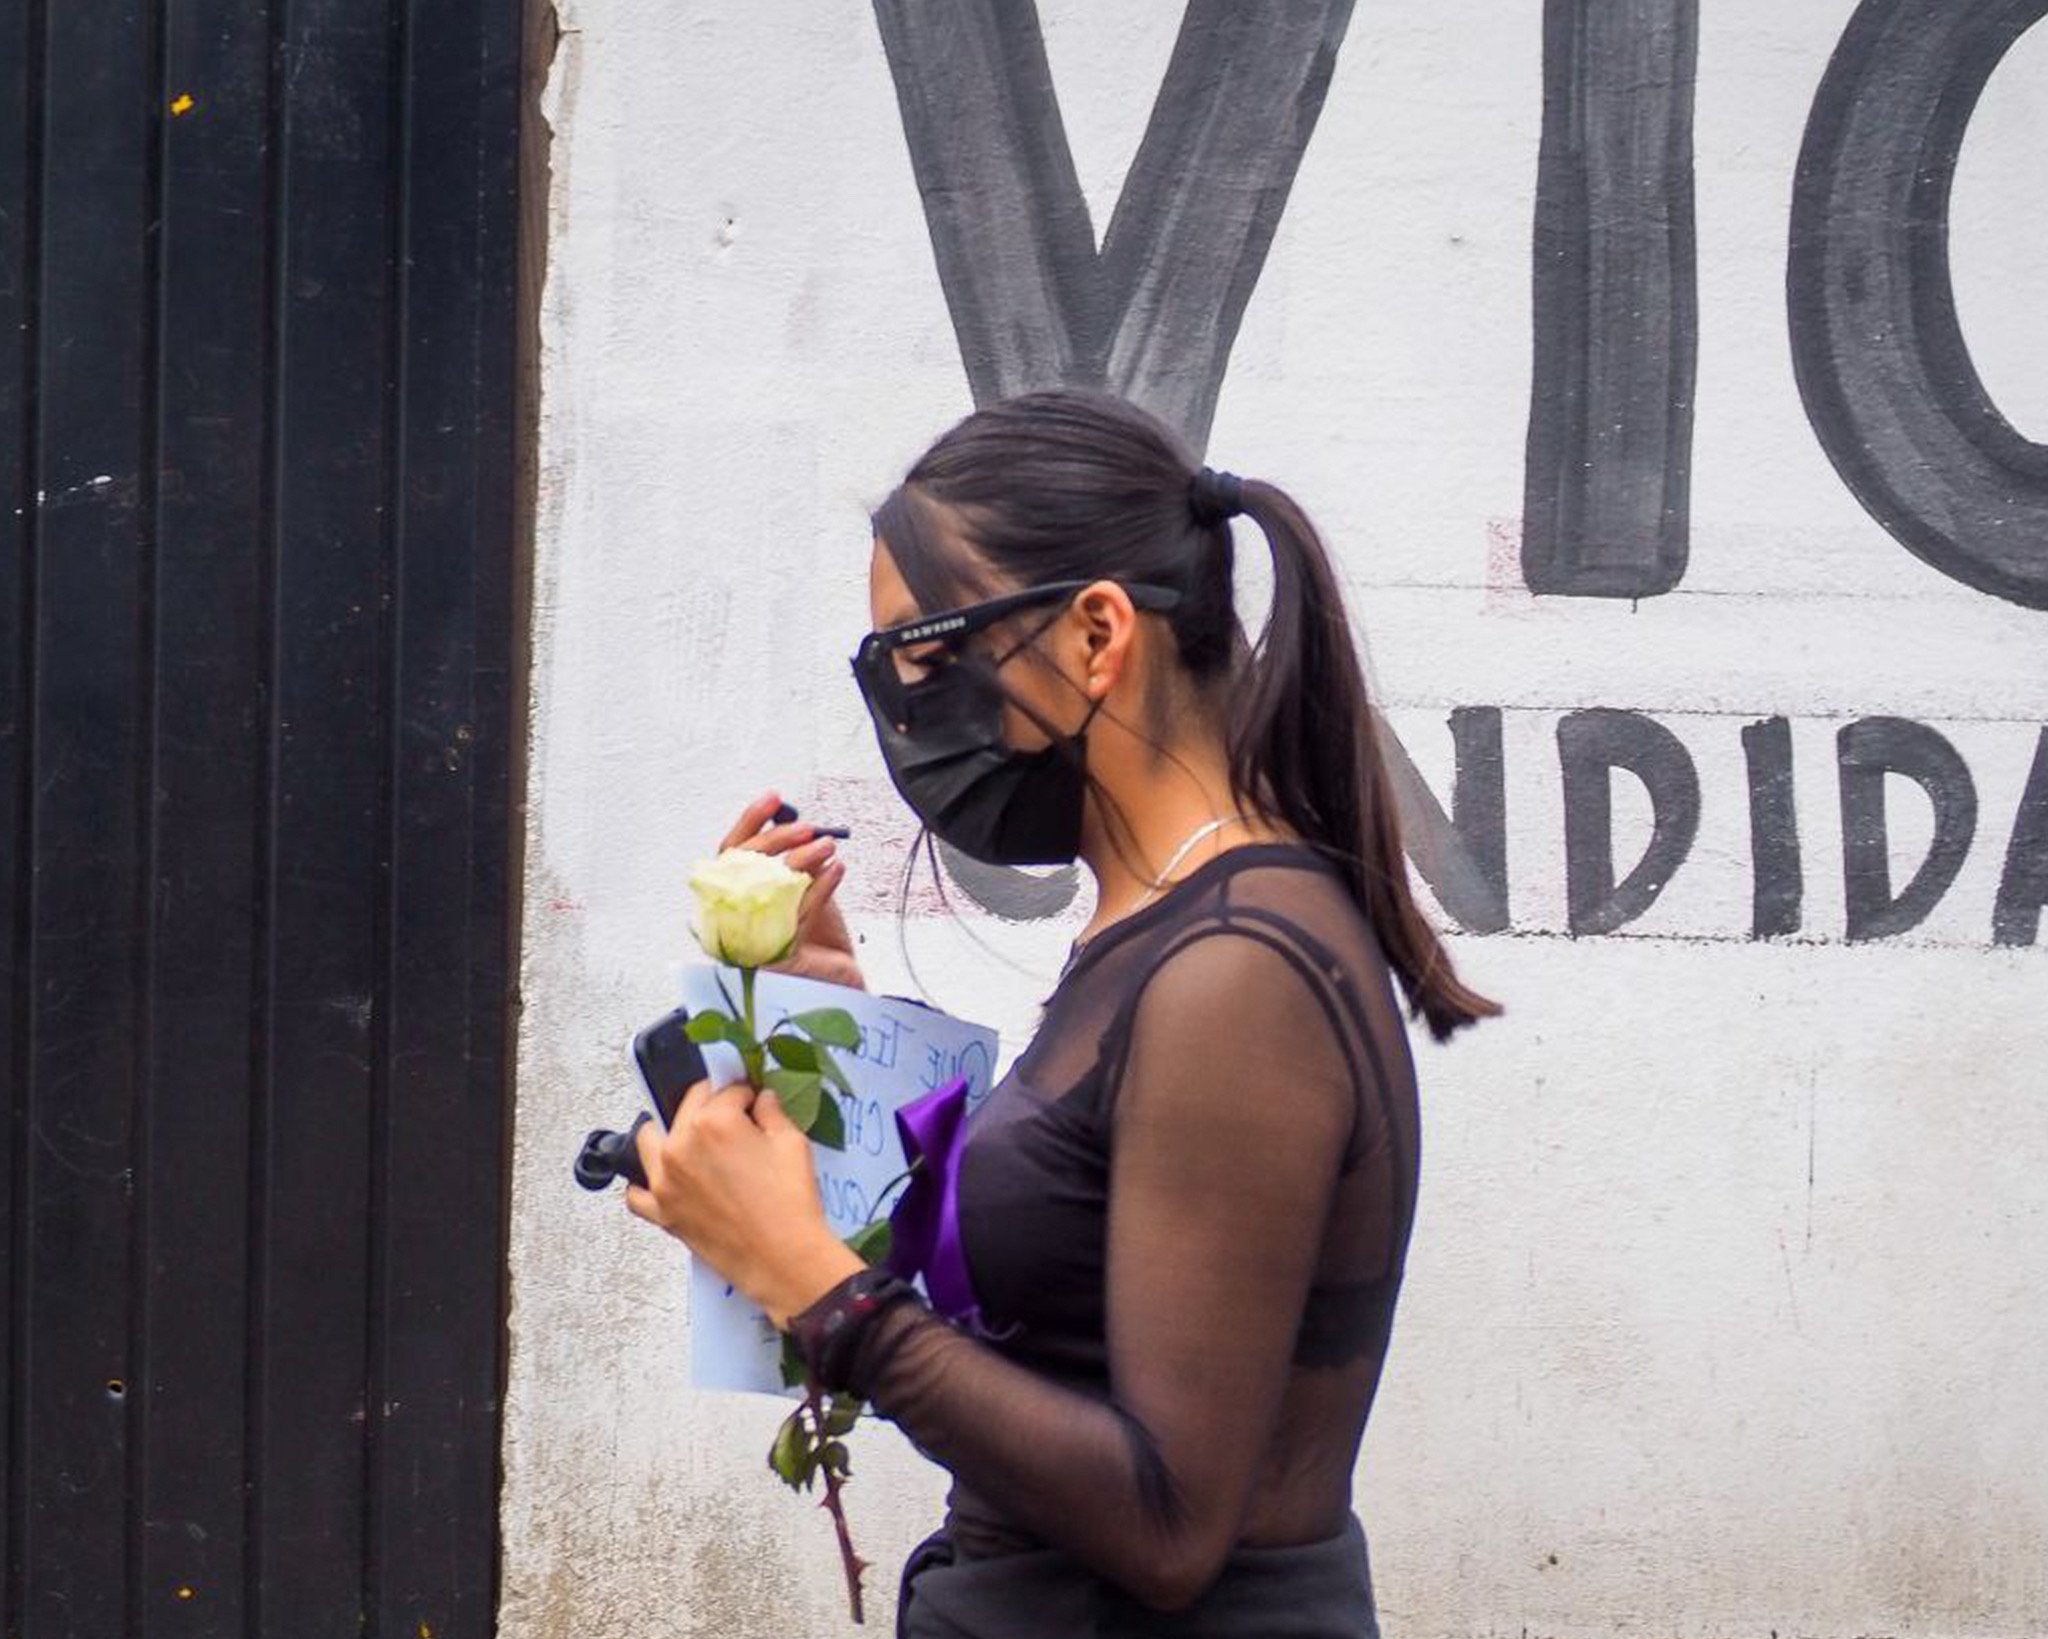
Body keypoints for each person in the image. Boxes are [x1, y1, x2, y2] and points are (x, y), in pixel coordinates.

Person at [624, 389, 1499, 1637]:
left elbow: (1167, 1521)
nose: (910, 714)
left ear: (1097, 634)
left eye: (926, 658)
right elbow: (1058, 1303)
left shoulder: (1235, 971)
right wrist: (835, 1036)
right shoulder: (1164, 927)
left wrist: (824, 1295)